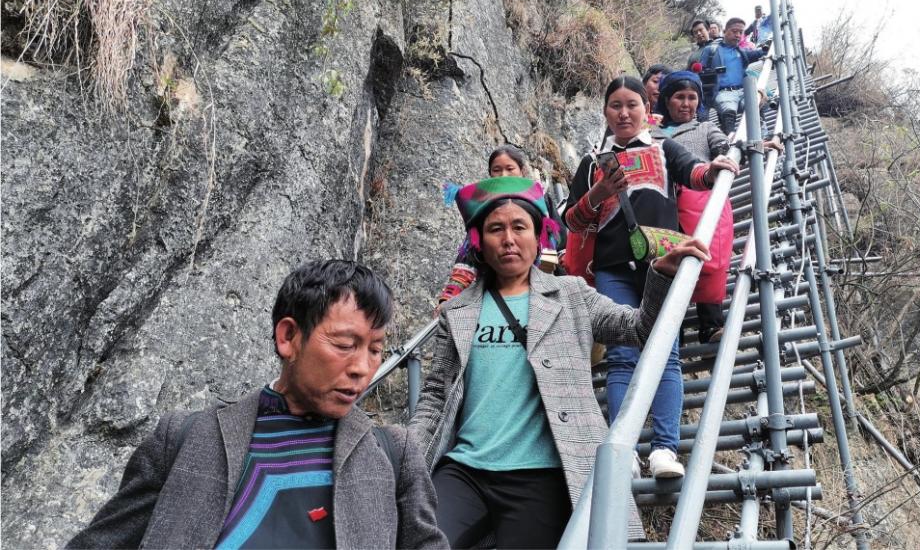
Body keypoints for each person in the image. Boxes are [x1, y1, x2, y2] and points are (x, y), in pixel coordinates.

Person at [410, 175, 711, 547]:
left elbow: (635, 330)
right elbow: (435, 395)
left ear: (539, 236)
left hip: (542, 474)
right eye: (495, 229)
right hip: (465, 470)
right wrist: (410, 458)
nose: (508, 239)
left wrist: (661, 274)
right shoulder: (456, 311)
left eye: (520, 226)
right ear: (478, 242)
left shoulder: (571, 295)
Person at [68, 260, 448, 550]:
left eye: (376, 349)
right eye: (345, 345)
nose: (363, 367)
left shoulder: (393, 455)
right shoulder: (185, 438)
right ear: (288, 337)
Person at [561, 76, 739, 480]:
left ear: (646, 110)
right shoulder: (592, 163)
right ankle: (624, 449)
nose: (624, 113)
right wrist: (599, 192)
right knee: (622, 357)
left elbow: (694, 173)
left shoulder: (663, 147)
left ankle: (664, 449)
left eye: (632, 105)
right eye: (615, 106)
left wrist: (715, 171)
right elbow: (571, 219)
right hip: (611, 269)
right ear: (605, 113)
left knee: (667, 354)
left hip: (664, 265)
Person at [656, 71, 736, 344]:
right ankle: (670, 330)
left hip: (701, 195)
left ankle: (710, 323)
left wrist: (732, 152)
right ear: (666, 100)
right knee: (668, 256)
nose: (686, 103)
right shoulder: (651, 132)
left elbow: (722, 147)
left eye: (692, 98)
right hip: (666, 202)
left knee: (710, 253)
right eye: (679, 97)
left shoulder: (705, 128)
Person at [437, 144, 566, 305]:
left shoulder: (540, 197)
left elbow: (558, 237)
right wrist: (449, 296)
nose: (503, 174)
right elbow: (472, 246)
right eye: (496, 170)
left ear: (522, 171)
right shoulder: (485, 204)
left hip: (540, 273)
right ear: (490, 174)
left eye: (510, 168)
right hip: (497, 280)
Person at [696, 17, 767, 135]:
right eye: (734, 31)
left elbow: (757, 53)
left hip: (742, 91)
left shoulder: (741, 52)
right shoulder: (711, 50)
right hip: (722, 93)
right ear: (724, 31)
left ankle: (762, 134)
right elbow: (700, 72)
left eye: (741, 32)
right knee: (729, 112)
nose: (738, 35)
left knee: (758, 101)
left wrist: (767, 48)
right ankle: (730, 140)